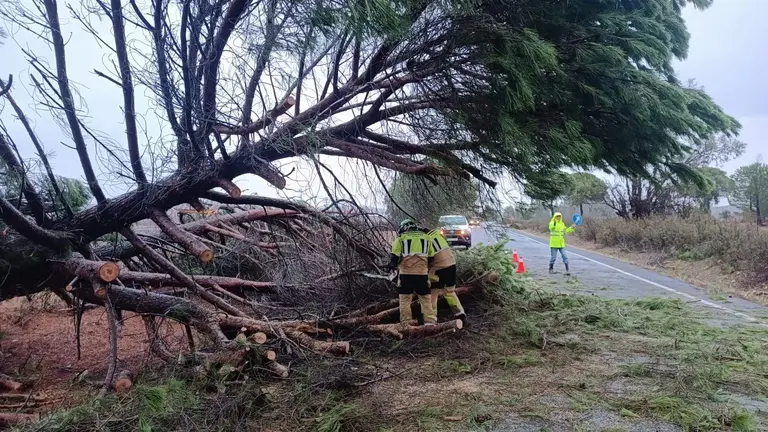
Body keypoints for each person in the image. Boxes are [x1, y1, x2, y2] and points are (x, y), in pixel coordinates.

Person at [386, 219, 436, 325]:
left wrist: (392, 265)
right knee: (425, 299)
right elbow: (431, 257)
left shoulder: (401, 238)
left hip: (406, 275)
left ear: (404, 227)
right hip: (422, 274)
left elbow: (394, 256)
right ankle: (430, 322)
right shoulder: (427, 238)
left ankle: (406, 324)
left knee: (405, 300)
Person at [425, 227, 466, 322]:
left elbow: (429, 258)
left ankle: (431, 319)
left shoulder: (425, 239)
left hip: (439, 268)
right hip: (452, 265)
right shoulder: (437, 235)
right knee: (449, 291)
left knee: (432, 292)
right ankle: (459, 313)